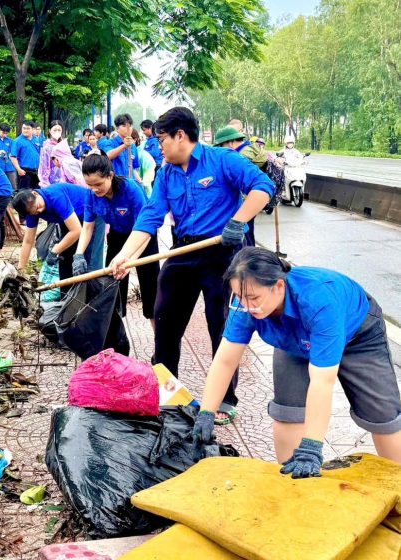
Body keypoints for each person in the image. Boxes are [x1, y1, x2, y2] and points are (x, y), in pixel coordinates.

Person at [109, 106, 274, 424]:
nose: (158, 147)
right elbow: (151, 216)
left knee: (220, 324)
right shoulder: (166, 173)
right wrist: (125, 256)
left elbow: (262, 187)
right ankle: (166, 391)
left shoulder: (223, 161)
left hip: (222, 252)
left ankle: (224, 399)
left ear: (180, 136)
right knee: (165, 319)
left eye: (161, 140)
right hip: (184, 250)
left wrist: (239, 221)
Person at [193, 247, 401, 476]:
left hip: (358, 335)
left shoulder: (319, 300)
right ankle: (292, 482)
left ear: (279, 286)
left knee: (383, 417)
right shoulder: (244, 304)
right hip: (294, 339)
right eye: (241, 297)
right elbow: (225, 361)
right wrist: (206, 412)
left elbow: (322, 381)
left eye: (254, 298)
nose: (247, 305)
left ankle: (397, 482)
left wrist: (312, 446)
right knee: (287, 411)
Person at [75, 153, 158, 326]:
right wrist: (78, 254)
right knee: (113, 286)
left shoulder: (131, 190)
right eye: (90, 185)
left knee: (151, 291)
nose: (95, 189)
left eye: (98, 184)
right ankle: (116, 339)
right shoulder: (91, 195)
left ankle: (159, 345)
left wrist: (130, 261)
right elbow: (88, 226)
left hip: (143, 237)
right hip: (117, 236)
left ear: (110, 176)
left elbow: (144, 228)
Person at [12, 184, 102, 292]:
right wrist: (20, 271)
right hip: (68, 220)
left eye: (37, 207)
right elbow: (28, 241)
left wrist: (55, 250)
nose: (39, 211)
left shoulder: (55, 196)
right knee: (65, 262)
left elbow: (77, 230)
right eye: (34, 212)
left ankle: (93, 302)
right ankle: (67, 299)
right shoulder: (31, 210)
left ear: (35, 194)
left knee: (88, 263)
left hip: (90, 215)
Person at [98, 114, 142, 182]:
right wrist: (124, 146)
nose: (128, 128)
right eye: (124, 126)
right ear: (117, 129)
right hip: (115, 184)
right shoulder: (109, 143)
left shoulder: (133, 146)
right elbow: (108, 155)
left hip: (131, 184)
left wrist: (140, 183)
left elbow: (134, 168)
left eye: (130, 126)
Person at [10, 120, 41, 190]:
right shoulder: (17, 141)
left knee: (36, 192)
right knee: (24, 194)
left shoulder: (36, 139)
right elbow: (13, 157)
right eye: (24, 128)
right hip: (24, 171)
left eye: (28, 128)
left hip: (36, 171)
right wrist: (18, 169)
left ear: (32, 129)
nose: (25, 130)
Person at [134, 129, 156, 196]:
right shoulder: (138, 148)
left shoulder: (153, 141)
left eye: (144, 130)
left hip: (148, 166)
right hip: (143, 168)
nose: (143, 132)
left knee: (147, 186)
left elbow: (155, 153)